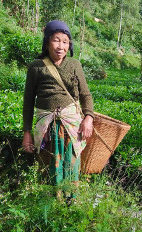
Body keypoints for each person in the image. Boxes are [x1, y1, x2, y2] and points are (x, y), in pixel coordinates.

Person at [22, 20, 94, 198]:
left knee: (71, 164)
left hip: (71, 126)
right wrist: (26, 132)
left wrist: (88, 118)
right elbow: (28, 101)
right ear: (47, 42)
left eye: (65, 41)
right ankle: (51, 204)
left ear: (69, 45)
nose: (60, 46)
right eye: (56, 40)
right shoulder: (36, 67)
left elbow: (86, 95)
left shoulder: (74, 65)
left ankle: (71, 202)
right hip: (47, 126)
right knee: (47, 164)